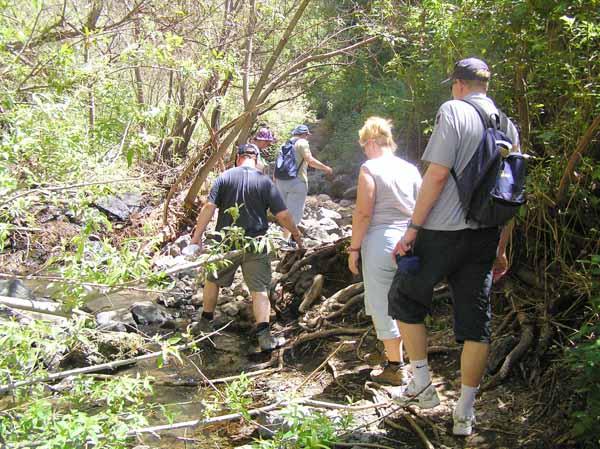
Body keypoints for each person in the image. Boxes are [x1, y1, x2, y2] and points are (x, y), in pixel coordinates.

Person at [389, 57, 520, 436]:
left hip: (442, 231)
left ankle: (423, 385)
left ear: (460, 84)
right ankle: (465, 412)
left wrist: (413, 227)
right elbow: (511, 193)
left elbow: (437, 173)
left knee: (405, 299)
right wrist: (501, 247)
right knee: (476, 322)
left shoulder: (454, 110)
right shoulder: (508, 125)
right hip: (485, 235)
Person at [185, 144, 303, 351]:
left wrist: (196, 238)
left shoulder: (224, 177)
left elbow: (209, 208)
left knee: (212, 281)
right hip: (256, 243)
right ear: (256, 159)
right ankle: (264, 337)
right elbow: (283, 215)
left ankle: (205, 322)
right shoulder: (265, 181)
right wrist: (295, 233)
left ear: (238, 158)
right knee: (260, 290)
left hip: (226, 242)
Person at [347, 117, 422, 386]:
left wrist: (354, 248)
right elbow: (422, 208)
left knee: (382, 304)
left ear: (370, 142)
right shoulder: (411, 169)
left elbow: (364, 212)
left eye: (363, 146)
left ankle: (395, 366)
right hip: (410, 242)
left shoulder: (370, 167)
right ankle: (417, 368)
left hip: (381, 242)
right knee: (407, 303)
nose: (364, 151)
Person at [274, 124, 333, 241]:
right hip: (297, 182)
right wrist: (325, 167)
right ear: (305, 134)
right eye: (307, 135)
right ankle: (286, 241)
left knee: (284, 212)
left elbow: (278, 164)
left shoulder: (284, 144)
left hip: (281, 181)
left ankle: (285, 238)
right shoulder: (302, 143)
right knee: (294, 213)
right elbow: (310, 160)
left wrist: (274, 179)